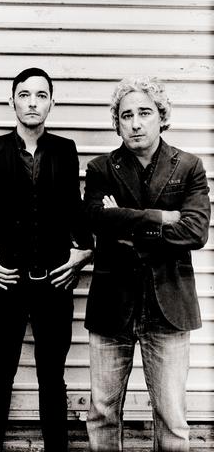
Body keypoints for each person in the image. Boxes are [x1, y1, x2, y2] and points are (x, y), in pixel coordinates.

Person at [84, 76, 210, 451]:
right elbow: (97, 221)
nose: (135, 123)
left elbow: (195, 232)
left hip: (169, 306)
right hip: (112, 305)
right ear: (117, 123)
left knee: (172, 418)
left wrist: (128, 224)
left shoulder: (188, 166)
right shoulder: (101, 168)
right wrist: (160, 218)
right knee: (102, 413)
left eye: (144, 113)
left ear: (161, 116)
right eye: (126, 115)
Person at [0, 67, 94, 452]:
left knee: (52, 375)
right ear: (12, 101)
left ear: (51, 103)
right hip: (7, 279)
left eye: (40, 95)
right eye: (24, 95)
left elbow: (75, 207)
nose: (32, 103)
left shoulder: (64, 149)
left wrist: (84, 250)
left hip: (54, 280)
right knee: (0, 373)